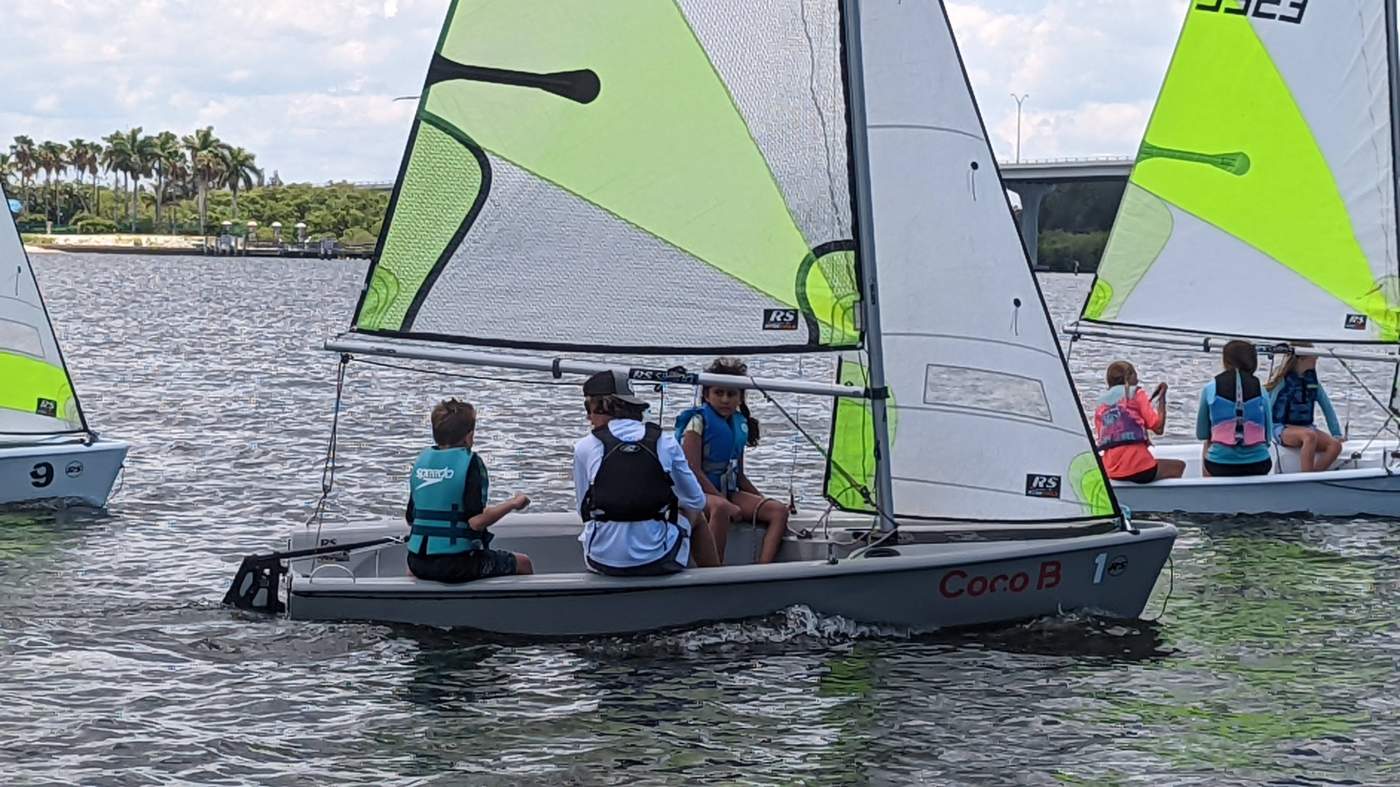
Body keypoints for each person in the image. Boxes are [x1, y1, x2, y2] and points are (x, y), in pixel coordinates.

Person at [574, 370, 719, 575]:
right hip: (657, 559)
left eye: (588, 408)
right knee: (696, 516)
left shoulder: (583, 447)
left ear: (602, 405)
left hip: (599, 560)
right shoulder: (665, 441)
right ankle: (715, 583)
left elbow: (583, 511)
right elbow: (696, 501)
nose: (588, 417)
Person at [674, 357, 790, 563]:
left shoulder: (739, 425)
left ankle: (763, 570)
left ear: (740, 398)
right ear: (707, 396)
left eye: (731, 394)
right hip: (699, 492)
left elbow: (740, 475)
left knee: (778, 511)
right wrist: (722, 499)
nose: (725, 399)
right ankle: (713, 570)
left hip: (728, 492)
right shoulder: (697, 422)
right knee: (721, 508)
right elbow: (693, 471)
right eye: (719, 393)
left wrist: (762, 499)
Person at [405, 399, 533, 583]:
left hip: (417, 561)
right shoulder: (471, 463)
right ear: (468, 436)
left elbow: (411, 518)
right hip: (456, 563)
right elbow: (475, 522)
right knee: (523, 563)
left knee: (414, 572)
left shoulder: (421, 462)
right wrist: (513, 504)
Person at [1093, 360, 1185, 483]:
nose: (1137, 380)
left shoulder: (1100, 405)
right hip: (1139, 467)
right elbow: (1158, 428)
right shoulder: (1137, 394)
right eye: (1135, 375)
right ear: (1130, 377)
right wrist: (1162, 398)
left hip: (1111, 470)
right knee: (1178, 467)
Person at [1196, 340, 1274, 477]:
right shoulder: (1262, 391)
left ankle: (1209, 492)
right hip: (1259, 464)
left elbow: (1201, 433)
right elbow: (1268, 437)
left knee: (1208, 442)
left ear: (1225, 362)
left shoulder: (1210, 388)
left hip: (1219, 465)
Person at [1265, 347, 1345, 472]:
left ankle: (1314, 476)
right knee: (1309, 436)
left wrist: (1336, 434)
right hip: (1281, 428)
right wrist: (1267, 434)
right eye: (1314, 355)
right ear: (1301, 358)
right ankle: (1306, 476)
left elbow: (1328, 409)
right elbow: (1268, 407)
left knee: (1335, 445)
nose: (1317, 358)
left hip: (1306, 427)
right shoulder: (1282, 381)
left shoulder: (1313, 383)